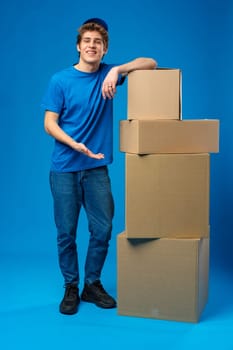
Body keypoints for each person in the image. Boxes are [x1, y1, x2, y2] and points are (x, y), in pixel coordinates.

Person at [41, 17, 157, 315]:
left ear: (104, 50)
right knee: (66, 232)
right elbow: (49, 123)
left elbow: (151, 62)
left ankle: (92, 284)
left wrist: (119, 69)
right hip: (65, 167)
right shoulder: (60, 80)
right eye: (87, 42)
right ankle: (71, 286)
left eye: (98, 43)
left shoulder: (109, 74)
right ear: (78, 47)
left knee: (102, 229)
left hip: (96, 170)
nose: (92, 46)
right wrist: (73, 143)